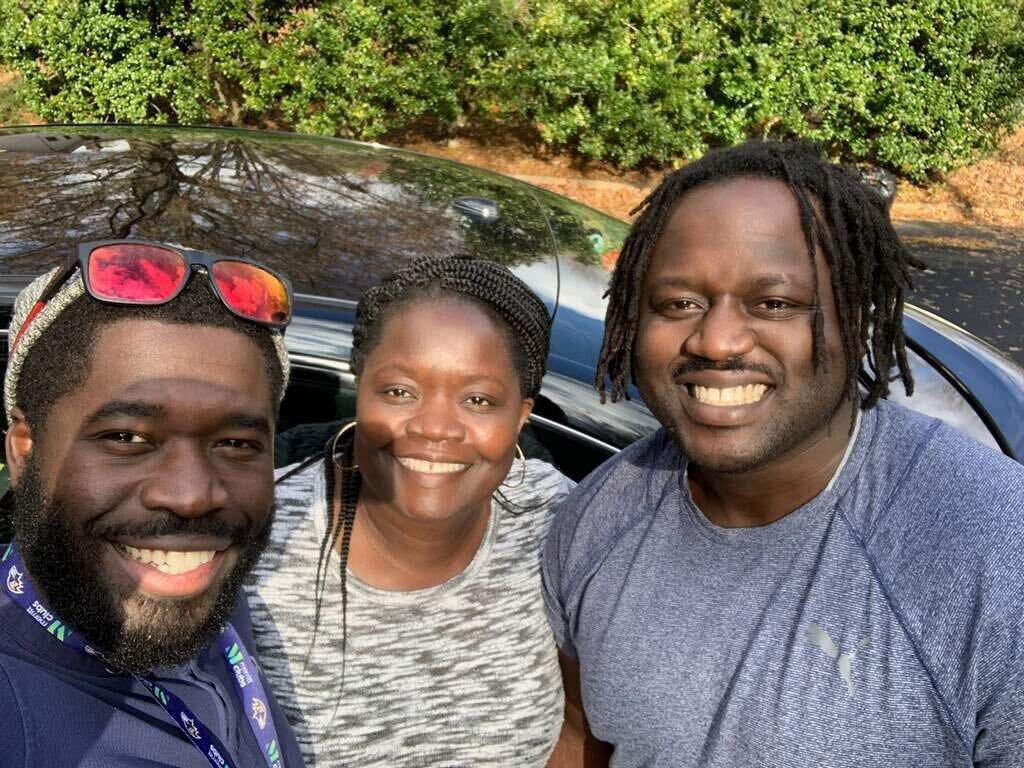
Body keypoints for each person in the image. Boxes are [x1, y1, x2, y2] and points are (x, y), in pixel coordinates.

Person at [543, 141, 1024, 766]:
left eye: (775, 303)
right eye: (679, 303)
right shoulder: (595, 520)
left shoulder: (992, 551)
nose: (716, 340)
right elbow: (577, 736)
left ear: (856, 321)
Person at [246, 256, 573, 767]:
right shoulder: (254, 539)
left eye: (480, 399)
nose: (435, 427)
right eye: (400, 391)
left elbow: (580, 727)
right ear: (361, 391)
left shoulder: (560, 523)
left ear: (520, 416)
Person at [0, 240, 305, 767]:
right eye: (126, 437)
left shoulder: (197, 589)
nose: (192, 498)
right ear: (26, 451)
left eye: (236, 443)